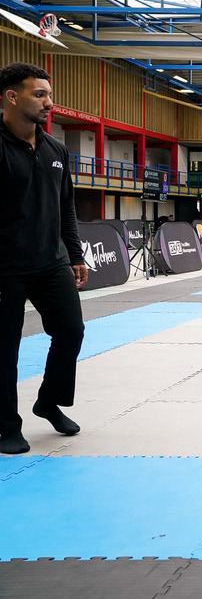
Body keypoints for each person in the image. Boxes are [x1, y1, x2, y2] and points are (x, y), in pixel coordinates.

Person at [0, 62, 87, 454]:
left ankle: (48, 401)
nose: (49, 102)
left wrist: (74, 254)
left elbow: (65, 205)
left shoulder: (56, 149)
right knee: (4, 349)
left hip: (51, 261)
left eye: (49, 94)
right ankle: (6, 425)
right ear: (11, 96)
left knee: (71, 331)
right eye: (40, 94)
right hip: (5, 267)